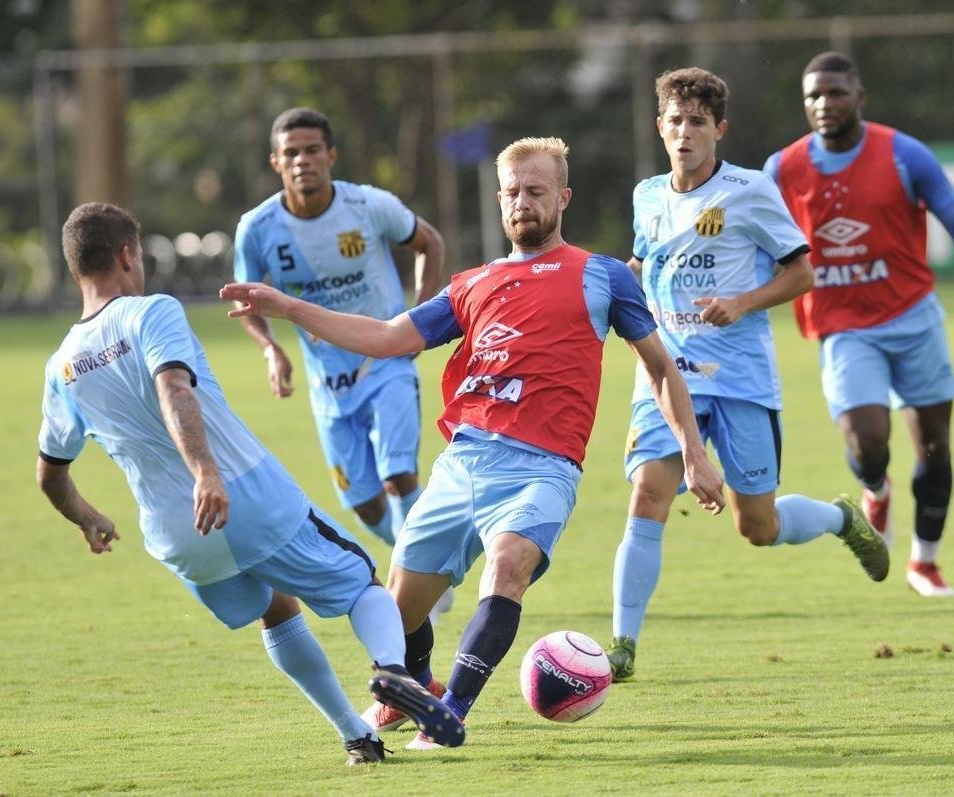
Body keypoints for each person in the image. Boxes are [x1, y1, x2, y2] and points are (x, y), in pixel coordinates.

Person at [221, 136, 726, 748]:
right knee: (392, 614)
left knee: (508, 564)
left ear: (562, 198)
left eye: (536, 191)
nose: (522, 203)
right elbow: (386, 337)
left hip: (542, 467)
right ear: (498, 200)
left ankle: (451, 712)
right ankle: (420, 688)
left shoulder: (604, 276)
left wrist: (694, 454)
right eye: (512, 192)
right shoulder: (472, 284)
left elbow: (660, 367)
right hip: (463, 461)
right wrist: (287, 307)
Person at [37, 202, 464, 765]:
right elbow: (174, 390)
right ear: (126, 255)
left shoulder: (61, 365)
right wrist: (207, 473)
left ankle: (357, 738)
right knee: (363, 583)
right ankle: (391, 671)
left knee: (277, 610)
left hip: (177, 536)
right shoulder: (148, 313)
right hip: (240, 494)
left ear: (74, 269)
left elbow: (50, 473)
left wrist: (88, 517)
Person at [605, 67, 889, 683]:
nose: (685, 133)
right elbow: (640, 262)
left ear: (719, 130)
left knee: (756, 527)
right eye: (675, 121)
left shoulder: (750, 190)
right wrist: (610, 291)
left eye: (697, 123)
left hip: (738, 377)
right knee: (649, 495)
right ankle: (622, 647)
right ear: (660, 127)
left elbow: (801, 273)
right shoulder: (647, 196)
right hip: (666, 371)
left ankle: (840, 517)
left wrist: (741, 302)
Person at [764, 52, 954, 597]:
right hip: (843, 327)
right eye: (814, 95)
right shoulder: (784, 168)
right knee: (867, 444)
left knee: (935, 446)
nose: (825, 104)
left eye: (836, 92)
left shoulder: (904, 155)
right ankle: (874, 488)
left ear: (859, 97)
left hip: (913, 320)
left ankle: (924, 563)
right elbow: (748, 233)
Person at [232, 109, 453, 620]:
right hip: (327, 383)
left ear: (330, 155)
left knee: (399, 476)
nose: (303, 160)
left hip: (385, 359)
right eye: (291, 153)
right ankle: (433, 563)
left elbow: (430, 242)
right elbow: (247, 302)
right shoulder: (258, 228)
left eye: (312, 150)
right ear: (276, 162)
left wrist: (415, 320)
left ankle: (415, 587)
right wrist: (271, 348)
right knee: (365, 504)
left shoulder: (369, 205)